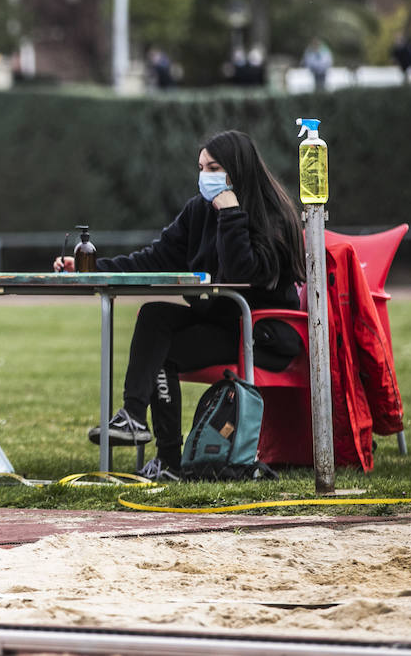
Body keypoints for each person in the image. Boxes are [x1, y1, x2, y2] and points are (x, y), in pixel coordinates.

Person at [53, 130, 306, 480]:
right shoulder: (198, 211)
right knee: (156, 316)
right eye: (201, 167)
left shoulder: (272, 217)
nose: (205, 176)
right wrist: (90, 270)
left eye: (214, 167)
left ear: (237, 170)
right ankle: (136, 421)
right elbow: (155, 258)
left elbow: (240, 275)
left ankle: (167, 458)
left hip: (259, 332)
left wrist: (231, 215)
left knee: (164, 350)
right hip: (220, 321)